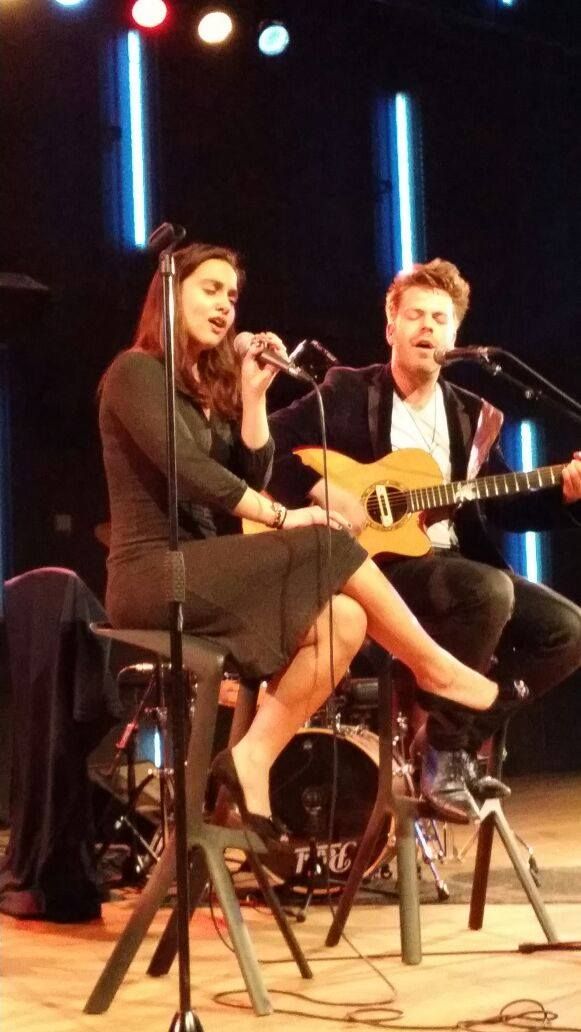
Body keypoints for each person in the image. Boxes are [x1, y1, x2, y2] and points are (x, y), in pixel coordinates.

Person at [99, 243, 501, 848]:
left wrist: (254, 397)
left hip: (207, 569)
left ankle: (252, 758)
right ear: (171, 292)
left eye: (232, 296)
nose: (225, 306)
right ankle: (434, 668)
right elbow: (197, 475)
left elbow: (252, 471)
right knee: (323, 540)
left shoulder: (204, 390)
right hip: (153, 573)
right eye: (210, 289)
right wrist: (287, 517)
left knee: (345, 619)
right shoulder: (135, 372)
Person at [269, 258, 581, 818]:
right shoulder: (347, 392)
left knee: (569, 631)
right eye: (415, 315)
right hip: (372, 571)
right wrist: (321, 488)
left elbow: (503, 505)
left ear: (455, 339)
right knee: (488, 590)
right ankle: (445, 751)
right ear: (391, 327)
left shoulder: (471, 416)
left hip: (453, 570)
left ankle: (453, 736)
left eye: (440, 319)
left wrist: (567, 495)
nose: (427, 328)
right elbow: (264, 448)